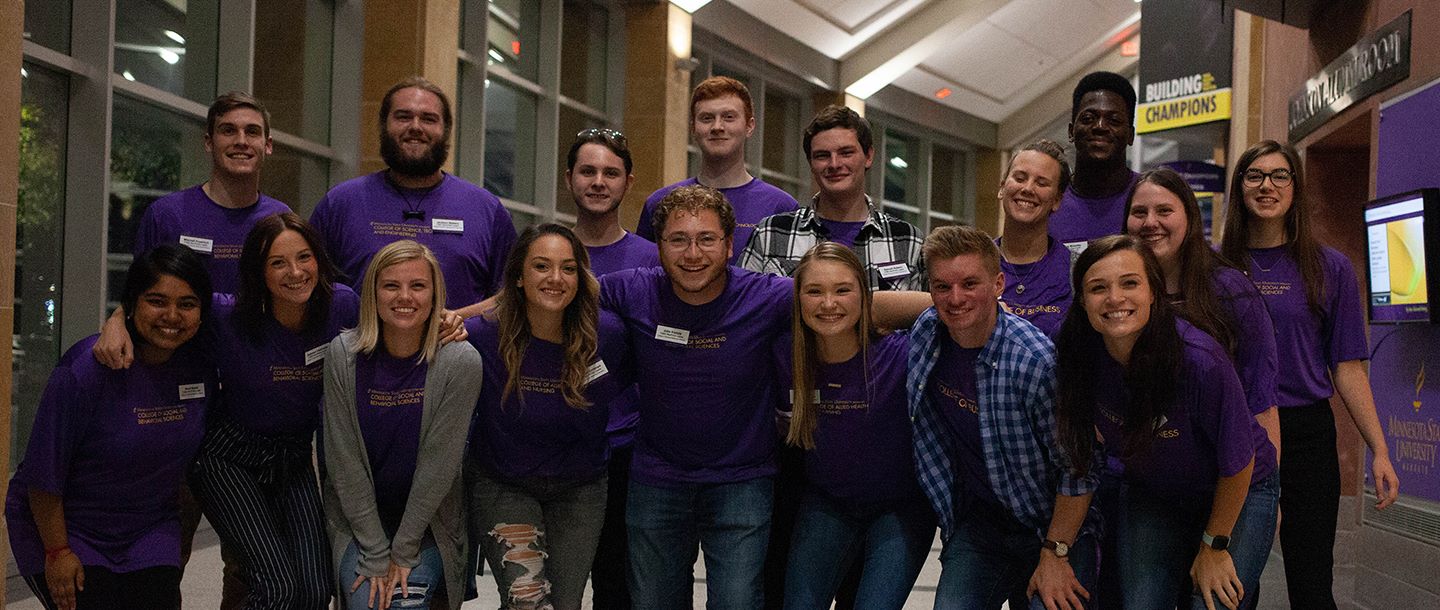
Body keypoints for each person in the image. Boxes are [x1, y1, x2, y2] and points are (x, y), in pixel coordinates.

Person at [601, 185, 929, 609]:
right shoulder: (635, 289)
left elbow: (855, 304)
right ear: (658, 245)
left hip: (741, 481)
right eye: (678, 240)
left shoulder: (762, 294)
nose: (692, 254)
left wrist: (971, 308)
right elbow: (558, 292)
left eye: (706, 239)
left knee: (739, 602)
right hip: (658, 478)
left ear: (729, 244)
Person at [1218, 140, 1401, 609]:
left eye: (1280, 176)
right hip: (1234, 430)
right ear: (1239, 187)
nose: (1267, 186)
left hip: (1306, 434)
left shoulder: (1331, 268)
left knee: (1311, 579)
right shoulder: (1214, 265)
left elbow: (1348, 369)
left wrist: (1379, 450)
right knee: (1236, 579)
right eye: (1254, 175)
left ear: (1296, 188)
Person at [1054, 235, 1278, 610]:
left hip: (1240, 488)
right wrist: (1055, 550)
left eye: (1130, 283)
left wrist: (1214, 545)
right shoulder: (1077, 350)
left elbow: (1239, 462)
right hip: (1153, 491)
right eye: (1097, 288)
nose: (1114, 298)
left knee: (1213, 602)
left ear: (1155, 292)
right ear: (1081, 301)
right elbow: (1078, 454)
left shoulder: (1199, 360)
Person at [6, 244, 215, 610]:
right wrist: (57, 552)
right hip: (68, 527)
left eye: (187, 304)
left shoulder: (200, 370)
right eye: (157, 301)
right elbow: (41, 476)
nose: (172, 315)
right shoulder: (87, 368)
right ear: (131, 306)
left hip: (149, 529)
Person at [909, 225, 1100, 610]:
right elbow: (867, 306)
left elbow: (1079, 468)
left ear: (999, 283)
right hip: (981, 524)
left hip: (1053, 527)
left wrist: (1055, 552)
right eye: (942, 287)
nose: (956, 298)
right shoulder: (925, 333)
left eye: (969, 284)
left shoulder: (1035, 362)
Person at [186, 213, 359, 610]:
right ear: (258, 272)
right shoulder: (226, 315)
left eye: (304, 258)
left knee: (316, 593)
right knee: (277, 589)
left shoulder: (342, 306)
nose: (295, 272)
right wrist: (116, 324)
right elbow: (162, 308)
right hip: (229, 458)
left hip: (293, 457)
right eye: (278, 262)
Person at [466, 224, 632, 609]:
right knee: (528, 600)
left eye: (568, 268)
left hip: (581, 487)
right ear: (520, 278)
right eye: (542, 266)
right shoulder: (482, 335)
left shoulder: (606, 335)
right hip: (504, 483)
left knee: (565, 604)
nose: (556, 279)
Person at [322, 240, 482, 610]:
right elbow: (343, 464)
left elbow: (438, 469)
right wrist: (376, 551)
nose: (404, 297)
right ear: (373, 293)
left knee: (401, 606)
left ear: (435, 294)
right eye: (391, 285)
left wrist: (404, 550)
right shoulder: (343, 354)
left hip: (428, 527)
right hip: (359, 525)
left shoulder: (460, 361)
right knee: (369, 603)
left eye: (418, 286)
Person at [778, 243, 935, 609]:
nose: (828, 303)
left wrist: (879, 305)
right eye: (814, 291)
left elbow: (951, 308)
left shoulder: (902, 354)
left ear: (864, 297)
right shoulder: (785, 355)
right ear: (798, 300)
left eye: (842, 290)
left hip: (900, 509)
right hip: (827, 503)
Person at [310, 76, 516, 318]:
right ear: (383, 125)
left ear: (446, 131)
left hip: (458, 351)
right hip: (359, 353)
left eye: (428, 119)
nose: (416, 126)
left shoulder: (486, 210)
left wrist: (453, 321)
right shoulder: (340, 203)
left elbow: (512, 295)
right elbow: (310, 289)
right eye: (403, 116)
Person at [1122, 168, 1280, 456]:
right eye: (1139, 212)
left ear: (1189, 217)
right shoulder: (1119, 296)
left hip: (1226, 473)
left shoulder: (1232, 290)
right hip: (1144, 476)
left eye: (1164, 210)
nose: (1150, 222)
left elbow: (1261, 402)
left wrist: (1268, 490)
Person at [562, 127, 657, 609]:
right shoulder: (548, 254)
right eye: (588, 171)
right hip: (558, 443)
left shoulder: (654, 260)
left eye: (610, 173)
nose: (598, 182)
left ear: (628, 182)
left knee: (618, 585)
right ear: (569, 179)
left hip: (629, 448)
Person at [740, 105, 926, 291]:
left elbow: (928, 316)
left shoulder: (908, 241)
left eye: (846, 153)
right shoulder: (770, 234)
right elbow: (744, 307)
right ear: (811, 163)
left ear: (868, 156)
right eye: (822, 156)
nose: (834, 164)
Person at [133, 92, 292, 295]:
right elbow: (138, 296)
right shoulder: (166, 215)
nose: (241, 141)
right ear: (209, 142)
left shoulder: (281, 219)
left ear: (267, 145)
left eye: (252, 132)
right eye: (228, 131)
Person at [636, 76, 798, 265]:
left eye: (729, 117)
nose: (717, 127)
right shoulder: (659, 203)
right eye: (707, 118)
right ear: (693, 128)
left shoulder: (781, 207)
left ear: (749, 126)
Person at [1050, 72, 1139, 255]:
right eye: (1088, 118)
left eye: (1114, 120)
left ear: (1130, 135)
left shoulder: (1148, 197)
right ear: (1071, 131)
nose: (1100, 126)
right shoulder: (1048, 201)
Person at [996, 139, 1074, 337]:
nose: (1028, 189)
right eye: (1020, 178)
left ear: (1057, 200)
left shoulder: (1077, 270)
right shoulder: (975, 262)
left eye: (1042, 183)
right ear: (1002, 187)